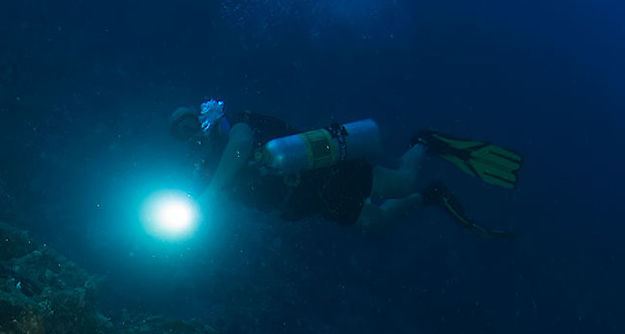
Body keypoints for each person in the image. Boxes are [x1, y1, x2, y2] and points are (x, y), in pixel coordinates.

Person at [167, 103, 519, 238]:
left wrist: (209, 195)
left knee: (401, 182)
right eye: (180, 133)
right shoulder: (205, 171)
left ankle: (424, 141)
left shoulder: (228, 126)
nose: (188, 133)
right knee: (375, 222)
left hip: (325, 173)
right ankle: (432, 196)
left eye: (188, 123)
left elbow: (242, 143)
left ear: (200, 118)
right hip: (308, 202)